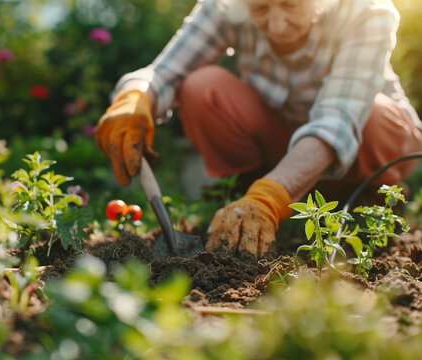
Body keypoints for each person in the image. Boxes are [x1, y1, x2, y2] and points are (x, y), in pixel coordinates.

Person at [94, 0, 422, 257]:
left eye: (291, 4)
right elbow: (166, 72)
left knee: (374, 115)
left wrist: (271, 197)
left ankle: (366, 198)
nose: (276, 22)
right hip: (283, 148)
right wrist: (134, 97)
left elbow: (337, 121)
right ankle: (246, 200)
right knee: (201, 87)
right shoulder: (225, 5)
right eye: (261, 8)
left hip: (369, 145)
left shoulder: (367, 12)